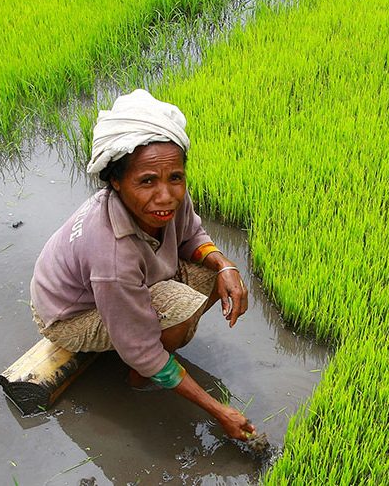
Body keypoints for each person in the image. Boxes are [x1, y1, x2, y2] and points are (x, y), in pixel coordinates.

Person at [29, 89, 255, 440]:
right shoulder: (111, 254)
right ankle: (140, 379)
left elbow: (192, 235)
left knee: (212, 275)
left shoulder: (168, 197)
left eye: (175, 178)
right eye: (147, 181)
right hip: (68, 316)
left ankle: (155, 345)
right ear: (115, 182)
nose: (166, 196)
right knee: (175, 310)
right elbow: (141, 348)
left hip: (121, 286)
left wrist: (226, 266)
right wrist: (218, 410)